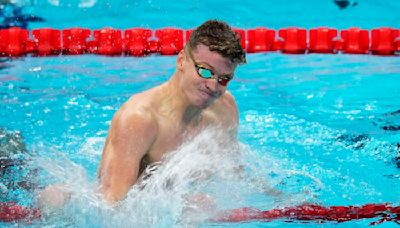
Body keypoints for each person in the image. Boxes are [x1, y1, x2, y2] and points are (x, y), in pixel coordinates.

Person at [98, 19, 246, 204]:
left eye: (224, 79)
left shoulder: (225, 108)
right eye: (206, 72)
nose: (213, 85)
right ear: (181, 60)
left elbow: (236, 177)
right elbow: (111, 206)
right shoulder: (140, 119)